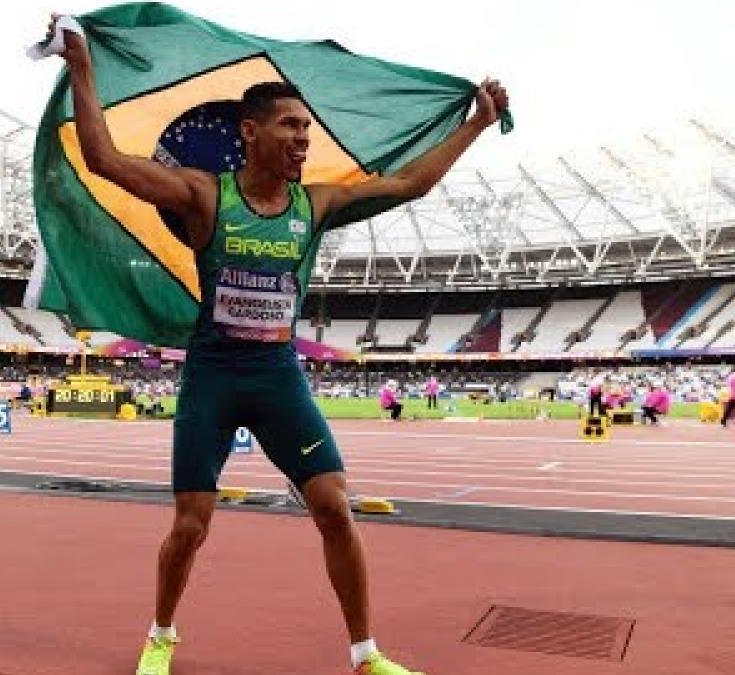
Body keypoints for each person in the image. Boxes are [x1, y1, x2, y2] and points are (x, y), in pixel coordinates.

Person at [46, 13, 509, 675]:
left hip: (277, 377)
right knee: (191, 524)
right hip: (213, 375)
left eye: (308, 129)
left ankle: (366, 654)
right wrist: (83, 67)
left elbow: (410, 184)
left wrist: (477, 122)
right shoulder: (205, 196)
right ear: (250, 131)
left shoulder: (313, 204)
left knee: (333, 507)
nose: (303, 137)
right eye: (292, 125)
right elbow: (105, 160)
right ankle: (161, 634)